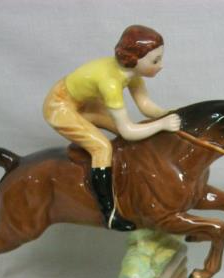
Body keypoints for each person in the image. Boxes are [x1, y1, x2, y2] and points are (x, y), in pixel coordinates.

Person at [43, 25, 181, 230]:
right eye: (155, 61)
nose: (161, 65)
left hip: (86, 102)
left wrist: (169, 113)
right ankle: (109, 213)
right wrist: (161, 124)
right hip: (60, 106)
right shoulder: (111, 83)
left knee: (126, 137)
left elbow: (145, 106)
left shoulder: (133, 73)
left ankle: (132, 185)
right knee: (102, 148)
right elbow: (128, 131)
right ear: (134, 60)